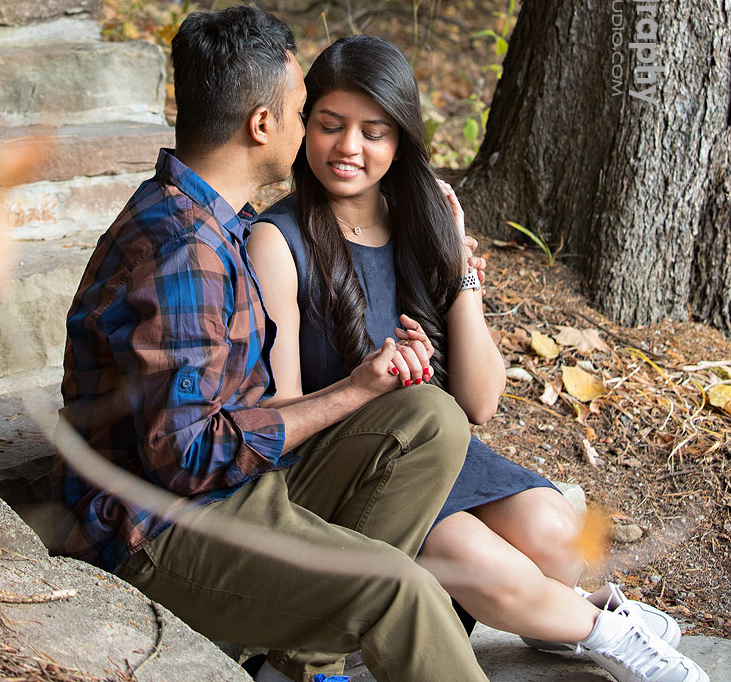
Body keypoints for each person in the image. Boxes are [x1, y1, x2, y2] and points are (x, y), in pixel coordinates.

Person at [247, 34, 709, 682]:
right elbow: (278, 418)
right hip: (360, 469)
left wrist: (460, 270)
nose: (349, 148)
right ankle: (607, 633)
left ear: (400, 139)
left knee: (554, 534)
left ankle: (561, 611)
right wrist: (363, 385)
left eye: (373, 131)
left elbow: (479, 404)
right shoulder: (278, 239)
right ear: (303, 125)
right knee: (473, 557)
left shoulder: (415, 219)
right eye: (330, 125)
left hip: (441, 444)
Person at [52, 6, 493, 682]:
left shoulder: (214, 220)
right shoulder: (183, 251)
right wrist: (350, 390)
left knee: (428, 417)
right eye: (300, 110)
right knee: (396, 587)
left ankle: (297, 663)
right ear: (262, 125)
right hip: (161, 530)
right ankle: (318, 638)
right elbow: (189, 457)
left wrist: (372, 387)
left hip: (237, 489)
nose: (306, 126)